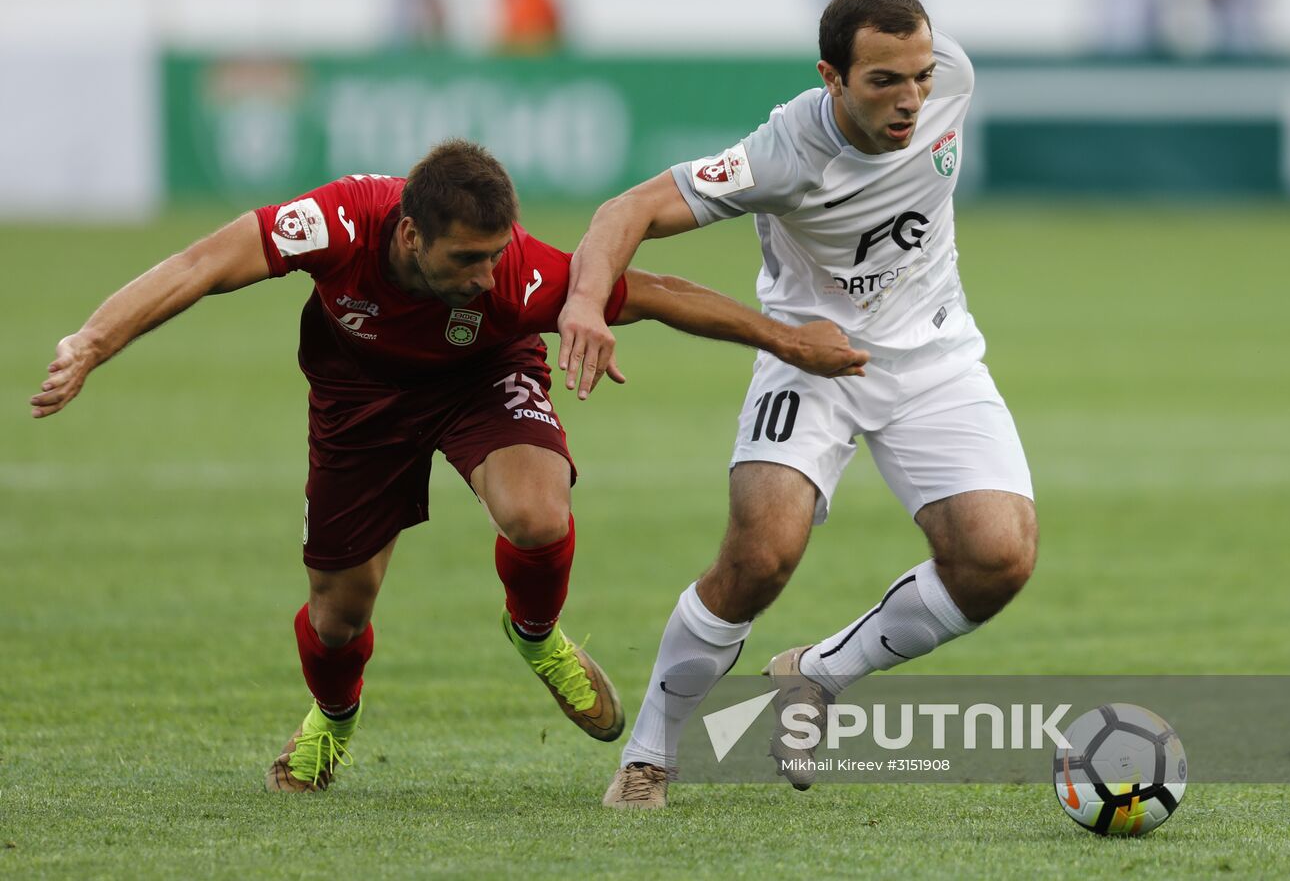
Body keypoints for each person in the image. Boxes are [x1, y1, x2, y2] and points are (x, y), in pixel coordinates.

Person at [30, 139, 868, 793]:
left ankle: (536, 637)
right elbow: (201, 265)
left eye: (494, 254)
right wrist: (93, 342)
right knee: (337, 618)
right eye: (465, 258)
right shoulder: (337, 222)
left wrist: (789, 341)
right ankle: (333, 713)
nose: (485, 273)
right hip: (358, 404)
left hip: (483, 379)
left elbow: (653, 292)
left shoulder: (512, 281)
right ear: (407, 234)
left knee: (540, 516)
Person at [557, 0, 1038, 809]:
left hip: (934, 355)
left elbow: (884, 0)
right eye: (883, 83)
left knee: (997, 556)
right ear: (831, 78)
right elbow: (626, 213)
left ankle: (813, 677)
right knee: (760, 555)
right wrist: (585, 301)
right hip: (807, 358)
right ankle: (649, 756)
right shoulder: (784, 152)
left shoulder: (948, 80)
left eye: (920, 77)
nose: (909, 100)